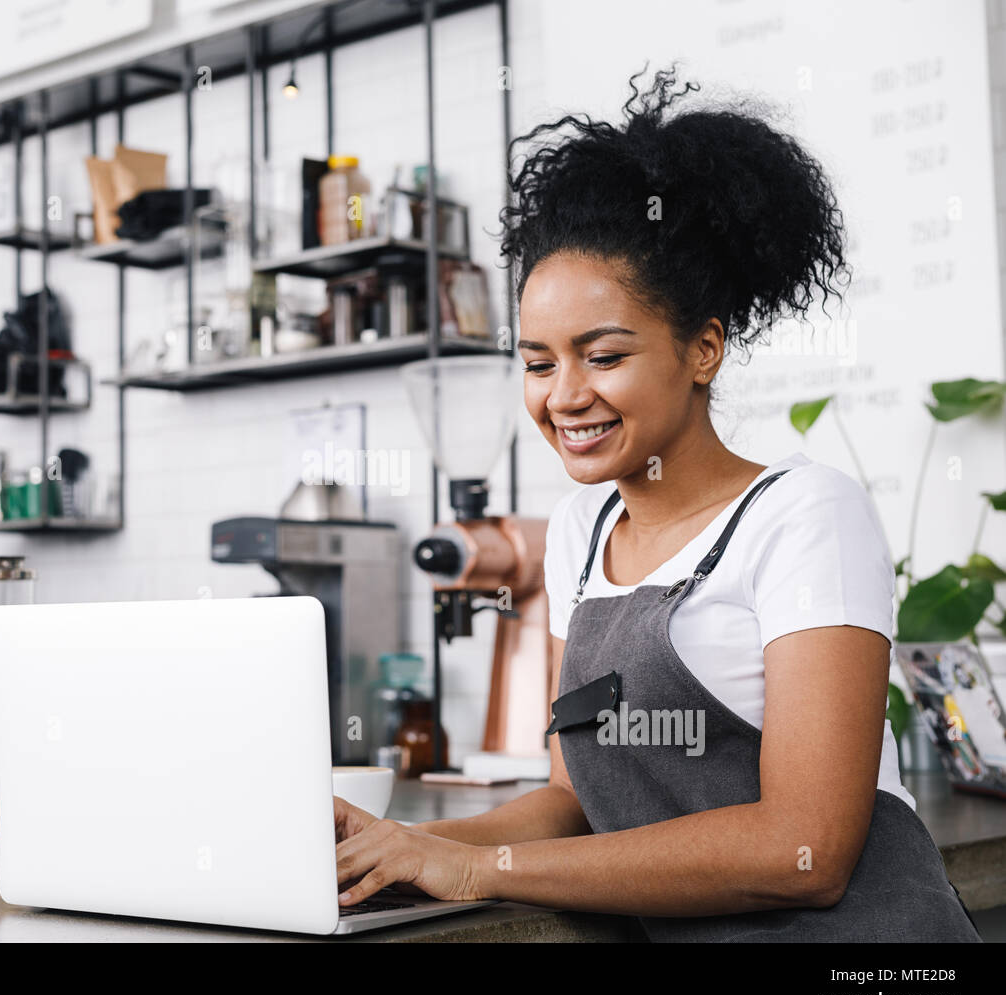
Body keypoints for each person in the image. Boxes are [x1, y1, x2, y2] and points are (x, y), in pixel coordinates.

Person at [332, 66, 981, 942]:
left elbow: (806, 848)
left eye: (602, 356)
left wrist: (480, 867)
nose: (564, 395)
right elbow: (571, 801)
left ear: (703, 348)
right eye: (537, 362)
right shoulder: (579, 533)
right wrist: (404, 844)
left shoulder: (803, 516)